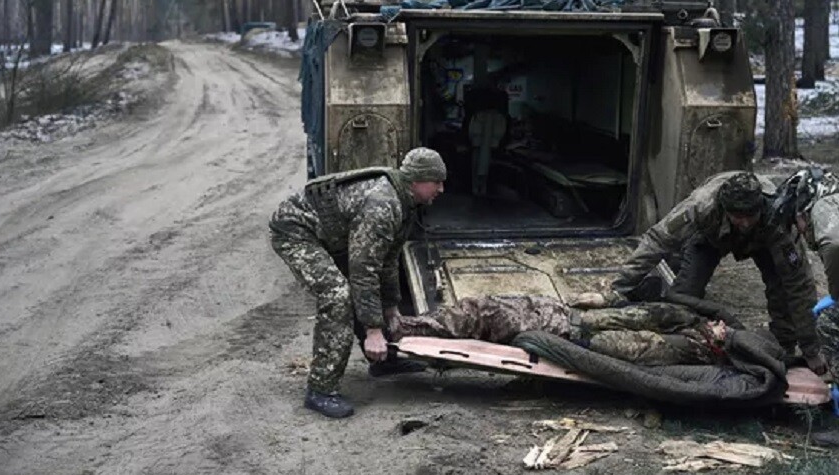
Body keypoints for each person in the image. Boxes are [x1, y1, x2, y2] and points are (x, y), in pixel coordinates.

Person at [269, 147, 446, 418]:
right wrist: (374, 330)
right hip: (297, 231)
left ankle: (384, 360)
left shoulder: (406, 201)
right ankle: (321, 390)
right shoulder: (382, 204)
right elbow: (364, 270)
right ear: (417, 180)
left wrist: (391, 309)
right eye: (437, 182)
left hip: (333, 235)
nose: (441, 189)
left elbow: (388, 260)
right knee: (338, 295)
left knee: (366, 288)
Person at [611, 171, 826, 374]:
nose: (745, 223)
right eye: (738, 216)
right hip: (711, 237)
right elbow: (658, 241)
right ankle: (684, 344)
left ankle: (781, 349)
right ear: (725, 209)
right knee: (684, 294)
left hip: (763, 239)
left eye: (750, 215)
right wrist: (619, 287)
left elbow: (799, 284)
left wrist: (811, 349)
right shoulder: (701, 206)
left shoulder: (778, 217)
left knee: (782, 290)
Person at [389, 293, 729, 366]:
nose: (720, 324)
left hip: (564, 327)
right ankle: (406, 329)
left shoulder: (684, 348)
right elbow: (645, 314)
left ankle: (402, 331)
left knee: (482, 313)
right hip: (563, 318)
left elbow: (627, 348)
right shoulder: (682, 321)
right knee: (482, 309)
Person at [771, 168, 839, 377]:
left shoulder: (823, 209)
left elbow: (835, 244)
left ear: (801, 212)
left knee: (828, 323)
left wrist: (836, 295)